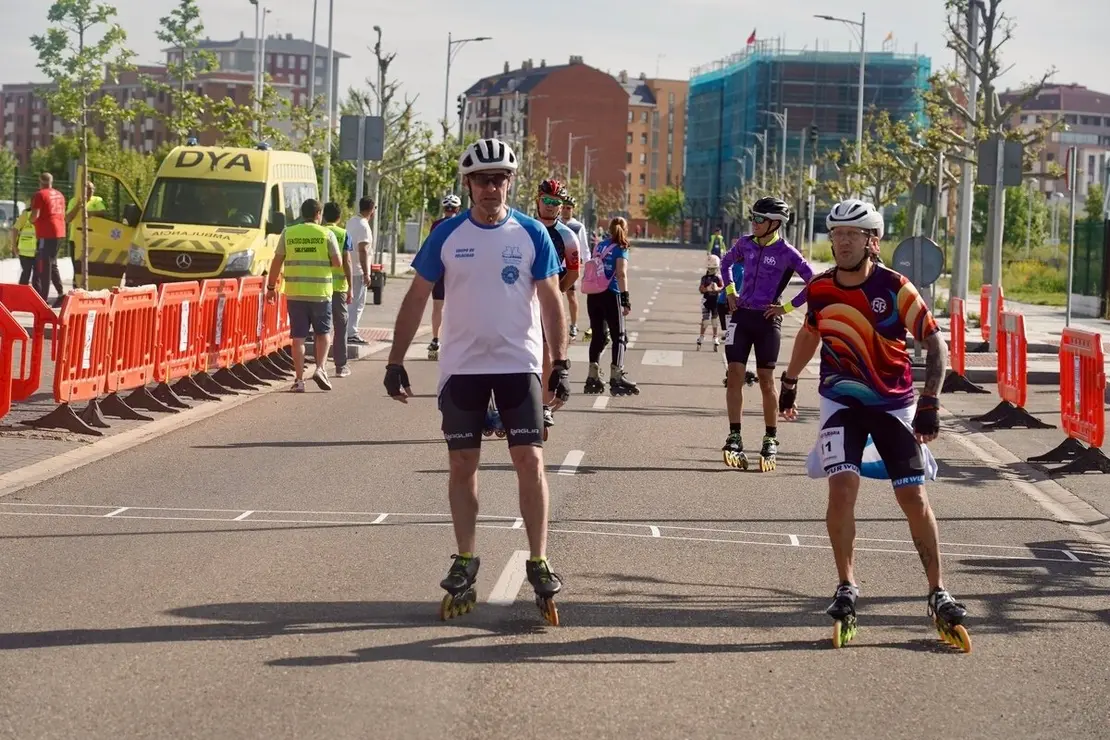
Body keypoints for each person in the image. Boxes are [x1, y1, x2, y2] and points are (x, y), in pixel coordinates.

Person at [383, 138, 570, 625]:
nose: (492, 187)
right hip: (462, 366)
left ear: (511, 182)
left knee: (530, 459)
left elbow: (552, 301)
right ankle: (465, 557)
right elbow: (417, 297)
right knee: (462, 463)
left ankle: (538, 558)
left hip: (518, 363)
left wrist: (561, 363)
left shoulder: (531, 232)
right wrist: (395, 361)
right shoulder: (446, 234)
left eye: (500, 178)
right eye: (483, 179)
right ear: (467, 184)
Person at [777, 198, 969, 651]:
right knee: (842, 488)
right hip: (840, 403)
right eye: (837, 234)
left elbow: (934, 343)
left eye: (852, 235)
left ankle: (937, 591)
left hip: (892, 405)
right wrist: (789, 380)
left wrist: (930, 400)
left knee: (913, 496)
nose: (843, 242)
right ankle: (846, 585)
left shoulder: (896, 287)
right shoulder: (821, 288)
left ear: (872, 241)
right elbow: (810, 332)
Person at [719, 196, 815, 472]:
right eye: (753, 217)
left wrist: (786, 308)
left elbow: (813, 282)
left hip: (767, 319)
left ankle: (770, 438)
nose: (754, 222)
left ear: (775, 223)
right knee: (734, 375)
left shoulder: (787, 252)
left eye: (759, 219)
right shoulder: (745, 244)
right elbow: (725, 263)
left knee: (765, 380)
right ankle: (734, 436)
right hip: (741, 316)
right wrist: (730, 291)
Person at [266, 199, 344, 392]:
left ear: (302, 213)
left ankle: (299, 380)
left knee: (298, 338)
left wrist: (271, 287)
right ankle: (320, 368)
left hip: (295, 293)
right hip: (320, 293)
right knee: (323, 333)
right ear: (318, 214)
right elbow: (337, 262)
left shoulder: (288, 233)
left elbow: (276, 262)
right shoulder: (326, 234)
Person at [535, 179, 580, 431]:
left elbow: (574, 272)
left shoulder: (568, 235)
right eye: (547, 200)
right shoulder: (524, 228)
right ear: (538, 200)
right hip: (521, 301)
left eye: (556, 202)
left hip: (546, 302)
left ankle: (543, 407)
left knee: (545, 357)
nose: (551, 206)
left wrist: (556, 293)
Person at [582, 217, 637, 396]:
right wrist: (625, 299)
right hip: (611, 294)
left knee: (598, 335)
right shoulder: (621, 247)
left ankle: (592, 375)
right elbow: (621, 273)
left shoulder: (599, 245)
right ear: (625, 230)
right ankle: (617, 376)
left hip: (593, 294)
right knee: (619, 336)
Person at [426, 194, 462, 360]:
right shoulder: (462, 224)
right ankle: (456, 340)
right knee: (458, 306)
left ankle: (435, 339)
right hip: (457, 269)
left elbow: (431, 247)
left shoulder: (436, 225)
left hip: (439, 269)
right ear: (457, 209)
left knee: (437, 306)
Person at [322, 201, 354, 378]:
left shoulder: (319, 232)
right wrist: (350, 287)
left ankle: (320, 365)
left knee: (320, 327)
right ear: (339, 217)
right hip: (339, 288)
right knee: (340, 325)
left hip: (319, 287)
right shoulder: (343, 234)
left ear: (323, 216)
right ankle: (341, 366)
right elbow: (347, 261)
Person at [29, 173, 67, 303]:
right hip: (60, 231)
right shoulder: (60, 194)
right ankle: (60, 293)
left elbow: (35, 215)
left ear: (40, 181)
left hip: (47, 233)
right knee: (52, 263)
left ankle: (43, 298)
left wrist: (30, 221)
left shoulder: (40, 195)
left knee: (44, 265)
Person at [345, 197, 376, 346]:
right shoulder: (364, 226)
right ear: (372, 209)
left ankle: (347, 331)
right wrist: (366, 273)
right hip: (358, 269)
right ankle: (352, 333)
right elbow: (362, 249)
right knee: (357, 303)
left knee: (348, 302)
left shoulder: (351, 221)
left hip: (348, 267)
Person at [560, 194, 589, 339]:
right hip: (556, 265)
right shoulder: (556, 223)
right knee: (555, 296)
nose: (566, 210)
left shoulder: (578, 226)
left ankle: (574, 324)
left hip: (570, 266)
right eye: (564, 207)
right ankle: (556, 324)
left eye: (568, 208)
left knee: (571, 296)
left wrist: (589, 266)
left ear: (573, 210)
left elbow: (584, 247)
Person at [698, 253, 723, 351]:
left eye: (714, 268)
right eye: (710, 268)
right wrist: (707, 289)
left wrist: (717, 289)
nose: (712, 270)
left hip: (716, 301)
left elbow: (722, 287)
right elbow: (701, 289)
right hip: (706, 301)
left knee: (715, 321)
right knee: (705, 320)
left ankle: (715, 336)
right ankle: (701, 336)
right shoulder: (704, 278)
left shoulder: (718, 278)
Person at [10, 209, 38, 285]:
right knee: (26, 273)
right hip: (24, 252)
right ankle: (21, 291)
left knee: (37, 276)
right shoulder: (26, 215)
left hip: (38, 251)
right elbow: (15, 230)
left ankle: (36, 292)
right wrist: (14, 246)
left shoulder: (44, 215)